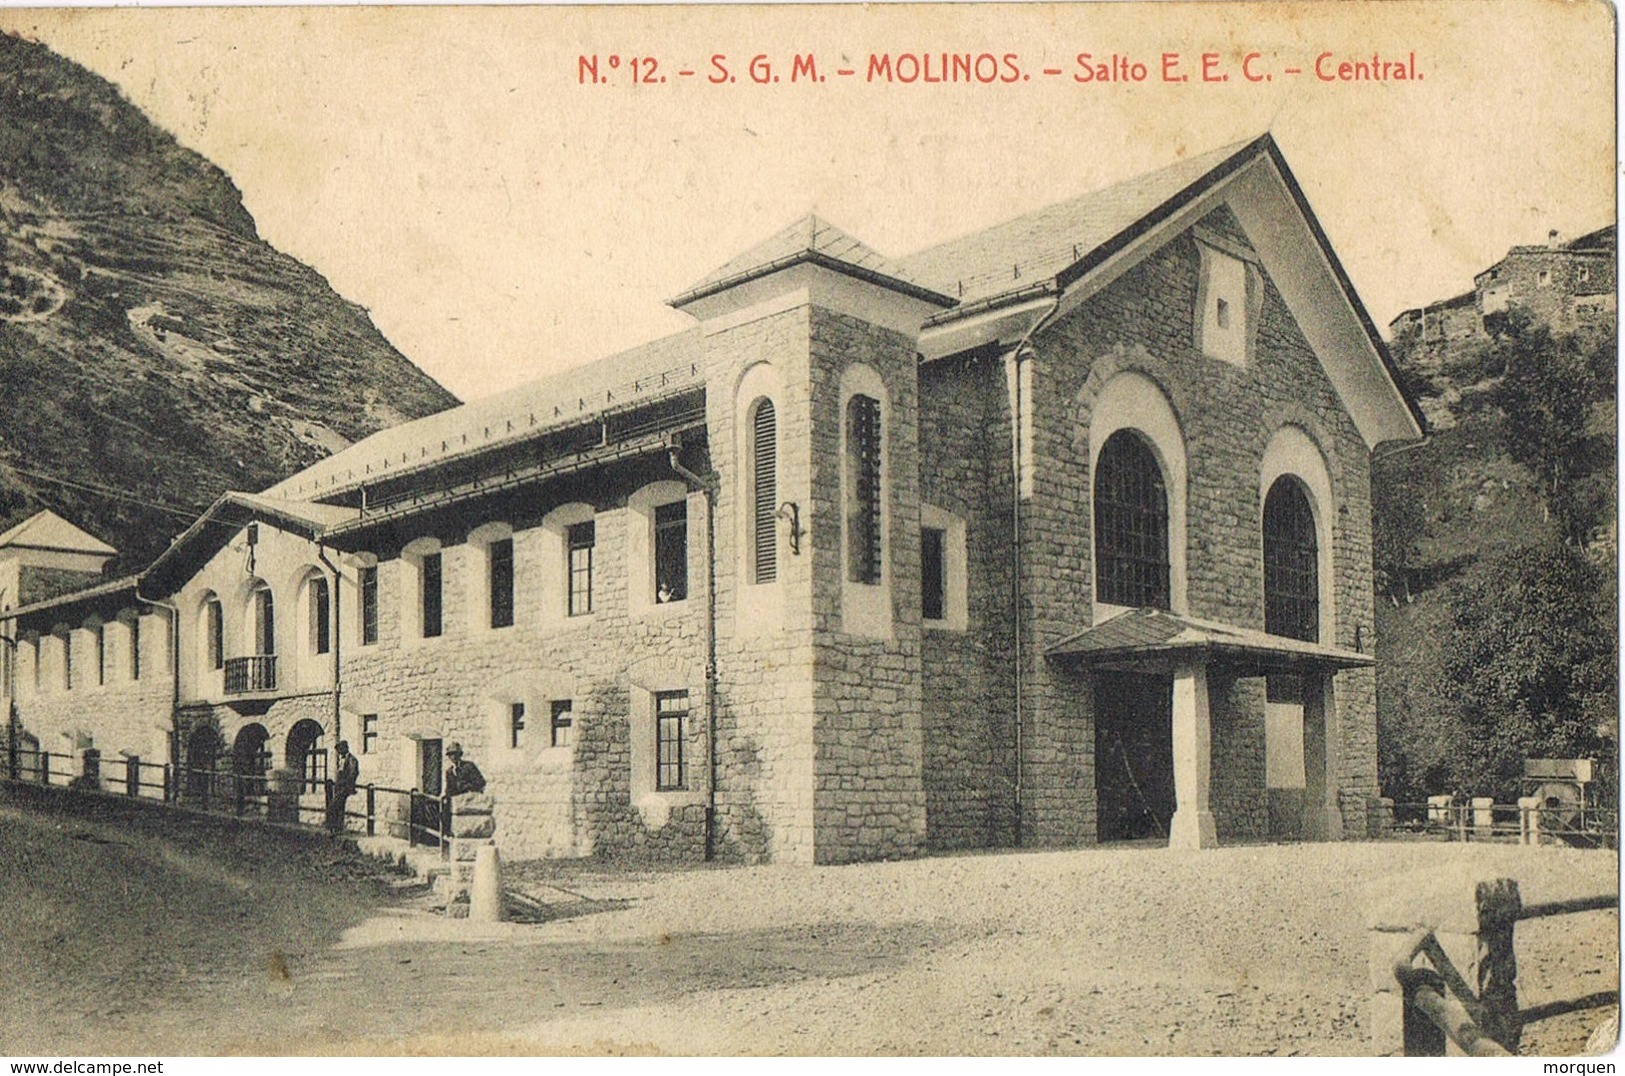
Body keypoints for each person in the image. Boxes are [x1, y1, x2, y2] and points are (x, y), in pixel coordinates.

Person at [327, 740, 359, 834]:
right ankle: (338, 829)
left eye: (340, 749)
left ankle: (333, 827)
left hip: (345, 788)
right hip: (339, 788)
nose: (339, 752)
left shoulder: (352, 760)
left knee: (333, 806)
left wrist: (344, 784)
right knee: (339, 808)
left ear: (345, 748)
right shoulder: (341, 760)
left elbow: (353, 774)